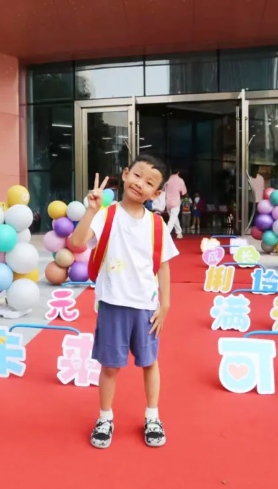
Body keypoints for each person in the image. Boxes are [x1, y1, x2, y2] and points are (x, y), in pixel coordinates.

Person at [70, 154, 179, 449]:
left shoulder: (156, 224)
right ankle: (105, 418)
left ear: (156, 194)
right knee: (110, 367)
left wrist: (165, 305)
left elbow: (164, 266)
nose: (140, 184)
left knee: (150, 363)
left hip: (146, 307)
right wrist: (91, 210)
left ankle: (152, 416)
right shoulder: (106, 215)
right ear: (126, 173)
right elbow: (76, 243)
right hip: (112, 303)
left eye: (149, 182)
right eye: (137, 175)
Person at [163, 169, 186, 239]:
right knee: (173, 218)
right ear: (178, 172)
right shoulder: (180, 180)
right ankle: (166, 233)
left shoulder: (168, 180)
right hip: (176, 202)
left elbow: (163, 190)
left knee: (174, 217)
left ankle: (179, 233)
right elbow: (184, 192)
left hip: (168, 202)